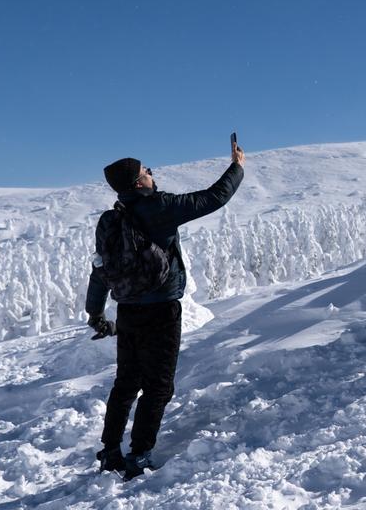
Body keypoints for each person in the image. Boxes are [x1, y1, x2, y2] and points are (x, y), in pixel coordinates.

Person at [87, 140, 245, 479]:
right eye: (146, 171)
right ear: (138, 182)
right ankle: (139, 455)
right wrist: (237, 167)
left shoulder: (110, 221)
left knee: (126, 383)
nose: (150, 174)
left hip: (127, 311)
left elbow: (100, 270)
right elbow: (213, 197)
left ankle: (110, 451)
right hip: (161, 311)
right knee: (158, 386)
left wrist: (95, 313)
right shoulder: (159, 207)